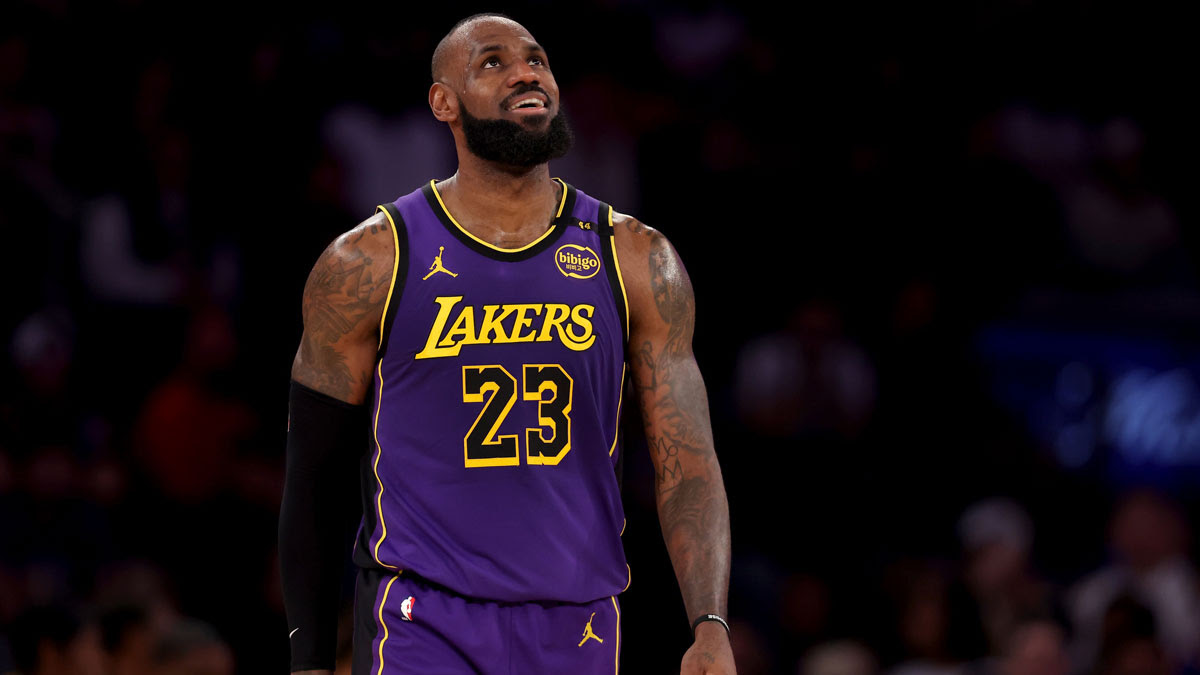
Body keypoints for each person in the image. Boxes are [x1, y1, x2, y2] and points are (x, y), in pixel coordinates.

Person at [277, 12, 734, 675]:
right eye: (493, 62)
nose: (526, 72)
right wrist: (310, 658)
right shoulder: (369, 261)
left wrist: (710, 623)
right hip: (421, 613)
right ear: (443, 101)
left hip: (577, 618)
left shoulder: (635, 256)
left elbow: (687, 463)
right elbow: (313, 477)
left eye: (537, 59)